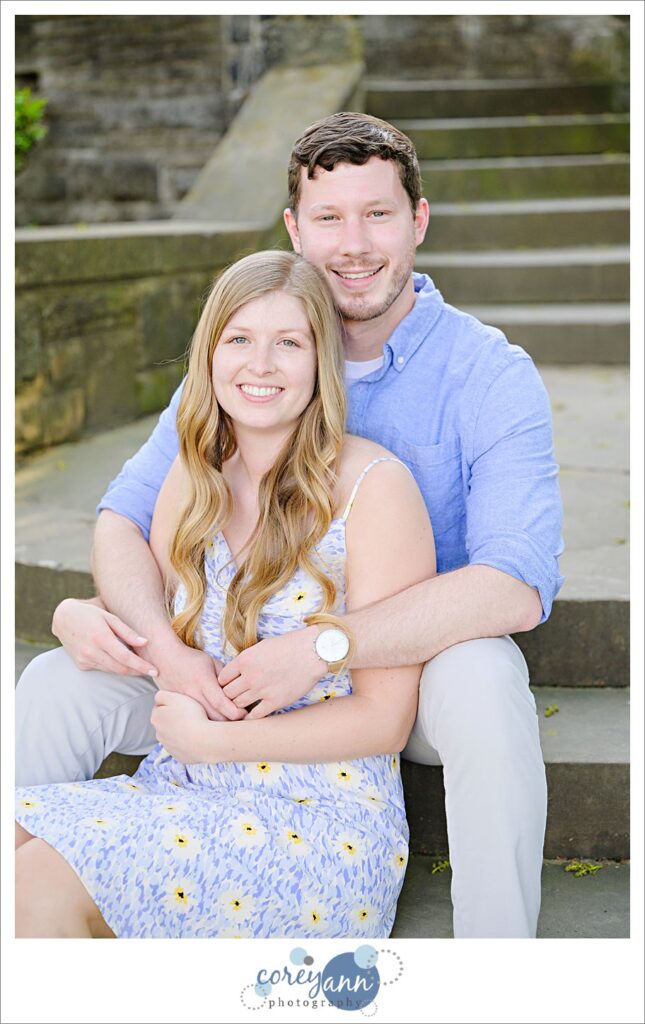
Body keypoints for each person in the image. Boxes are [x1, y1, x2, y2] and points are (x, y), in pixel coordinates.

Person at [16, 112, 563, 938]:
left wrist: (323, 647)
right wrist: (139, 636)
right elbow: (124, 522)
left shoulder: (485, 375)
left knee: (484, 678)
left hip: (400, 673)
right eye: (328, 217)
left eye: (377, 214)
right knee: (57, 682)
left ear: (417, 220)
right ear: (294, 230)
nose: (354, 243)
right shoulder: (248, 361)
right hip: (235, 670)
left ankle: (497, 961)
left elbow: (513, 586)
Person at [15, 250, 436, 938]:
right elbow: (158, 620)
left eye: (288, 343)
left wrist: (218, 743)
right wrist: (74, 613)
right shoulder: (193, 479)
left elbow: (383, 720)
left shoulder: (375, 487)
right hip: (188, 786)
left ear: (321, 361)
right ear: (210, 354)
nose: (260, 364)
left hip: (318, 819)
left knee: (34, 882)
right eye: (239, 338)